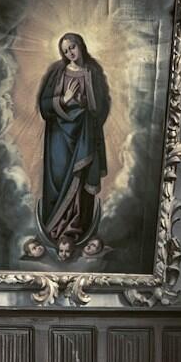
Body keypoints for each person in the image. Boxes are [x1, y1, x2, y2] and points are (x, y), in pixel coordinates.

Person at [33, 32, 111, 260]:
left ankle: (77, 230)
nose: (70, 53)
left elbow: (103, 104)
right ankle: (56, 231)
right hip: (59, 137)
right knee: (59, 180)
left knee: (81, 180)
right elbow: (44, 105)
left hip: (84, 135)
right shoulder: (57, 72)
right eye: (65, 50)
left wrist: (88, 106)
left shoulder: (93, 72)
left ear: (81, 46)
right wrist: (64, 100)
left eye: (72, 47)